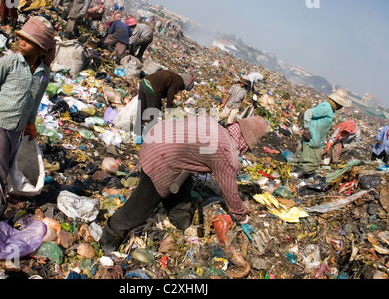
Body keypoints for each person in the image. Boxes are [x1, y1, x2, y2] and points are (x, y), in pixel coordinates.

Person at [100, 115, 269, 253]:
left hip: (157, 138)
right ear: (246, 141)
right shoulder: (226, 152)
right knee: (139, 207)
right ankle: (109, 238)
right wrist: (243, 218)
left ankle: (179, 218)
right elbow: (230, 192)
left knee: (183, 184)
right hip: (161, 157)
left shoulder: (217, 126)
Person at [0, 16, 56, 220]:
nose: (21, 43)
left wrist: (31, 124)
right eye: (21, 38)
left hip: (17, 128)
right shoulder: (8, 62)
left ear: (41, 48)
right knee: (0, 169)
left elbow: (35, 102)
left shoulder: (44, 73)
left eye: (28, 41)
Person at [291, 88, 351, 177]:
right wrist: (306, 130)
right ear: (336, 102)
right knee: (313, 163)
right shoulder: (326, 107)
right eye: (340, 105)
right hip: (312, 139)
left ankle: (291, 172)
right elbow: (308, 113)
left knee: (300, 158)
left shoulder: (330, 110)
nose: (341, 107)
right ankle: (296, 175)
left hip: (316, 140)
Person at [134, 70, 194, 138]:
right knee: (153, 115)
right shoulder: (179, 81)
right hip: (152, 88)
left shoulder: (174, 77)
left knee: (141, 109)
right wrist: (169, 107)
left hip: (144, 83)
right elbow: (170, 92)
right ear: (186, 82)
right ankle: (149, 137)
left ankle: (137, 133)